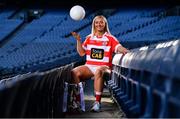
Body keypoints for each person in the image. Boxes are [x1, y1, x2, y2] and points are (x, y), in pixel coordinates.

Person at [71, 15, 129, 112]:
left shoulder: (110, 38)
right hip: (89, 66)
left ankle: (97, 103)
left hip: (104, 67)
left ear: (105, 24)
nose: (99, 24)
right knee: (74, 72)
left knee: (98, 71)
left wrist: (126, 51)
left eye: (101, 22)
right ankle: (78, 101)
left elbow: (119, 48)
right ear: (94, 24)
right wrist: (78, 41)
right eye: (97, 22)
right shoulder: (89, 38)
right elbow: (81, 53)